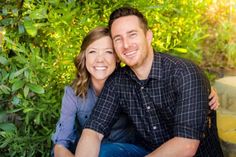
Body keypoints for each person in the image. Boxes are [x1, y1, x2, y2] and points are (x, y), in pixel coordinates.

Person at [75, 7, 223, 157]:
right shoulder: (118, 82)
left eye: (132, 35)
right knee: (104, 151)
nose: (126, 45)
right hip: (149, 152)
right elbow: (92, 132)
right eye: (118, 39)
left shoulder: (184, 73)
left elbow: (186, 145)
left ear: (148, 36)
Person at [51, 27, 135, 157]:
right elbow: (60, 144)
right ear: (84, 56)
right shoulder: (73, 93)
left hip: (123, 152)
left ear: (117, 57)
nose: (99, 59)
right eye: (93, 52)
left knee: (104, 151)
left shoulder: (131, 85)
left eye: (108, 52)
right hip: (86, 153)